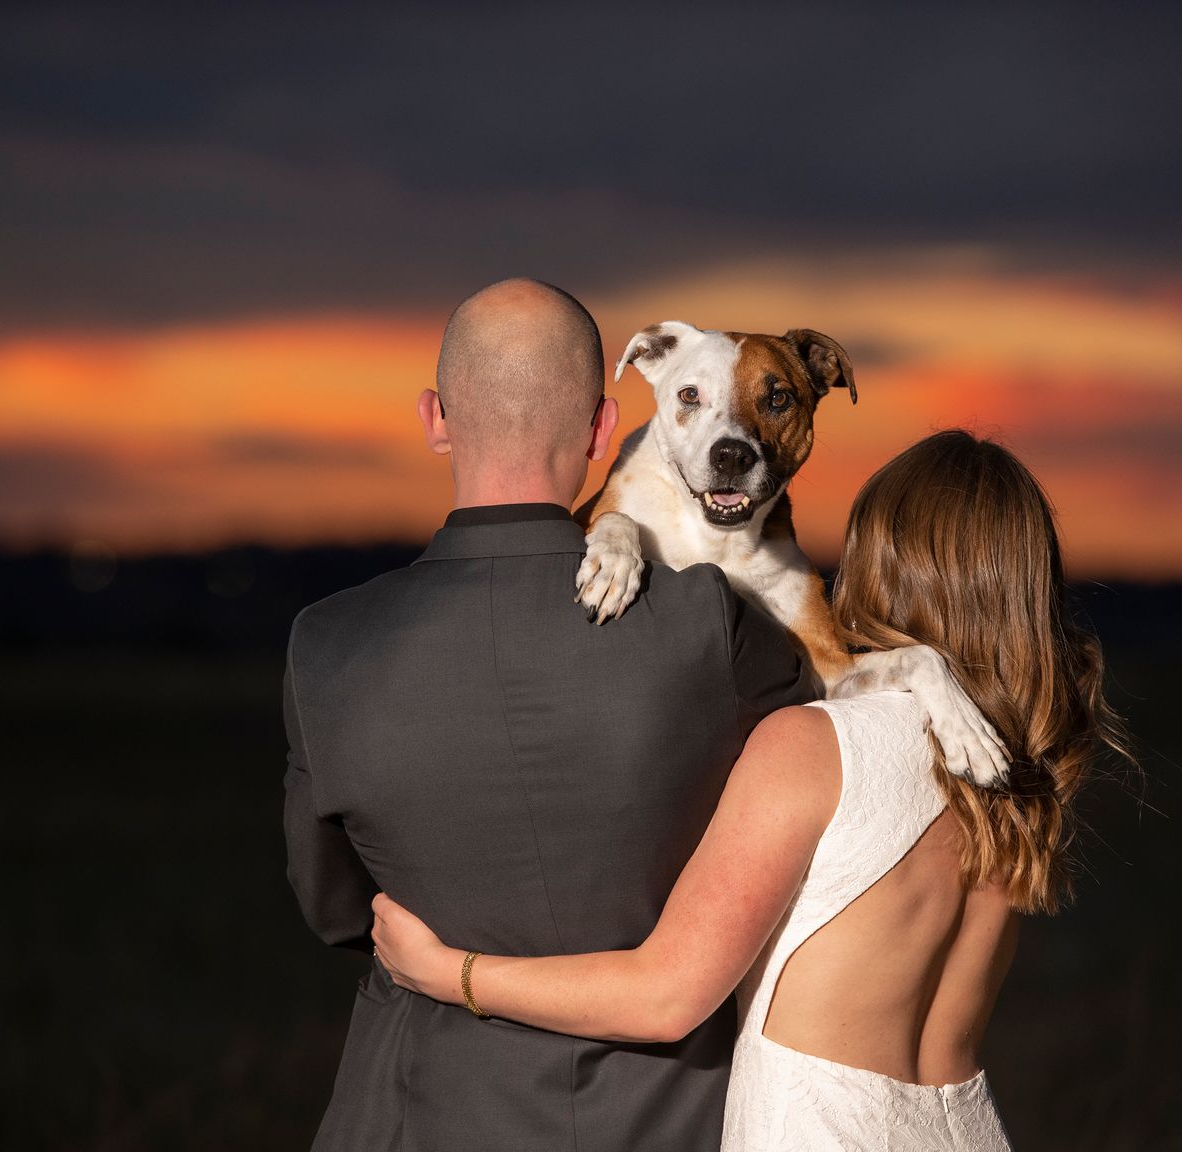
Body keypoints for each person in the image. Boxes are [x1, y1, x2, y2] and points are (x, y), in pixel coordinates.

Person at [373, 429, 1134, 1150]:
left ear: (880, 560)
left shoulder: (818, 745)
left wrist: (448, 971)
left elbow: (665, 998)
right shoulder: (1017, 768)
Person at [282, 279, 807, 1150]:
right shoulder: (709, 625)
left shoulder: (325, 644)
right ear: (604, 432)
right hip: (663, 1120)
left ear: (435, 420)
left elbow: (335, 909)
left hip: (416, 1115)